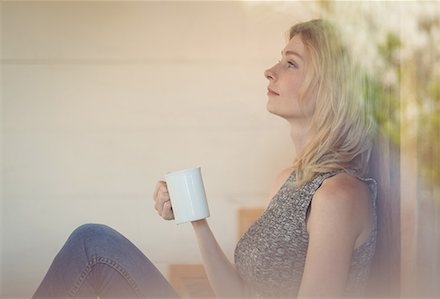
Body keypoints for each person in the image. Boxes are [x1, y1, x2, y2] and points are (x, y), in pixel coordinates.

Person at [33, 19, 381, 298]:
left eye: (291, 63)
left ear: (330, 87)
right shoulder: (289, 179)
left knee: (91, 245)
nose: (270, 71)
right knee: (92, 242)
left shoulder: (339, 196)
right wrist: (195, 218)